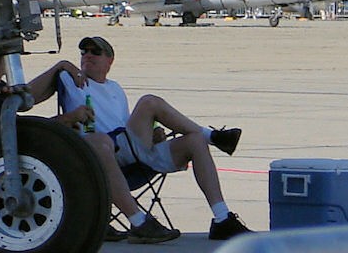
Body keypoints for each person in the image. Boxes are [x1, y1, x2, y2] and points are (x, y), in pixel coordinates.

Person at [47, 35, 251, 243]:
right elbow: (32, 95)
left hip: (134, 152)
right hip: (108, 152)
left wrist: (153, 136)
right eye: (84, 52)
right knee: (148, 102)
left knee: (195, 140)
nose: (88, 56)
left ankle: (222, 219)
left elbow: (125, 125)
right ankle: (214, 136)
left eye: (95, 52)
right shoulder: (70, 80)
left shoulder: (115, 88)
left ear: (110, 60)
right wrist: (64, 65)